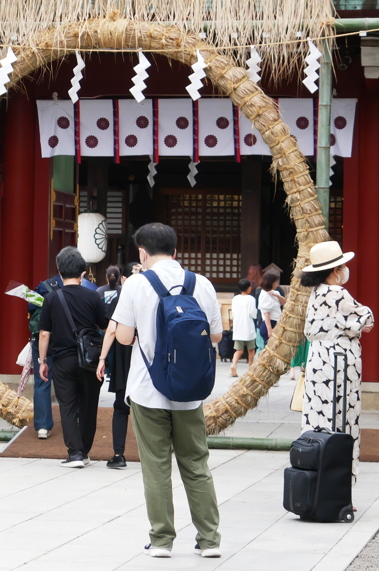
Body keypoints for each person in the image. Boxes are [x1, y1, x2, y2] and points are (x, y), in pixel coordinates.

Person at [112, 223, 224, 559]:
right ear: (175, 250)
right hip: (190, 391)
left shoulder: (136, 284)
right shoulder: (200, 284)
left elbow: (123, 337)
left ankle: (161, 541)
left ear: (142, 252)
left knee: (156, 465)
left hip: (148, 391)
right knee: (196, 463)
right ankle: (210, 541)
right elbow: (217, 336)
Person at [300, 240, 374, 482]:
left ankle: (315, 481)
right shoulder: (337, 293)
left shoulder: (316, 293)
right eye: (342, 266)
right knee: (342, 419)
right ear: (335, 270)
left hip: (318, 359)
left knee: (317, 419)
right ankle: (339, 484)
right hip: (339, 361)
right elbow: (366, 318)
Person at [38, 247, 108, 467]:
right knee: (89, 405)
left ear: (59, 272)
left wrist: (42, 361)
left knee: (67, 405)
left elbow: (44, 333)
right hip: (90, 359)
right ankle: (85, 452)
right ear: (83, 273)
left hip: (62, 359)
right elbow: (106, 327)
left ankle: (74, 453)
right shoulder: (93, 296)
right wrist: (104, 358)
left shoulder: (51, 299)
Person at [28, 266, 97, 440]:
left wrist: (41, 358)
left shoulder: (44, 286)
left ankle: (43, 426)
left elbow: (31, 309)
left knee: (41, 382)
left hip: (45, 341)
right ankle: (77, 421)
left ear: (59, 268)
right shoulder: (87, 288)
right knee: (75, 383)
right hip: (68, 343)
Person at [96, 263, 131, 469]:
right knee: (149, 409)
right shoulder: (151, 298)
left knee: (121, 406)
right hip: (145, 359)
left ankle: (119, 454)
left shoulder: (121, 299)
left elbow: (110, 331)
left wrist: (102, 359)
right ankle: (155, 455)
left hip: (122, 358)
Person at [229, 278, 258, 377]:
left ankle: (234, 364)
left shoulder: (235, 298)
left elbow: (233, 313)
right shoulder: (251, 299)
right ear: (249, 288)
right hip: (248, 327)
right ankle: (250, 368)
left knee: (239, 350)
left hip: (238, 327)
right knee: (251, 349)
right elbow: (253, 314)